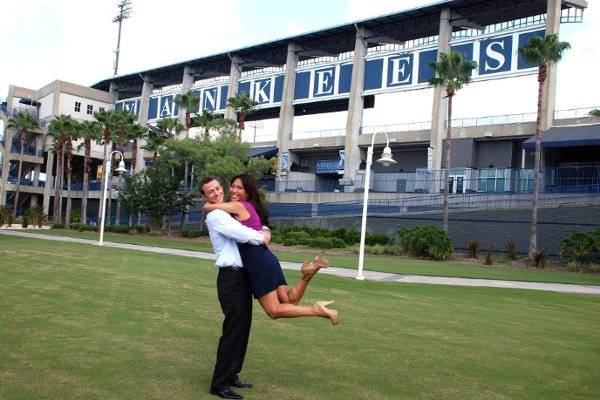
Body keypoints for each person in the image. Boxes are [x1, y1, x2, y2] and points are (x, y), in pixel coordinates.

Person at [202, 174, 340, 326]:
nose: (234, 190)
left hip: (257, 261)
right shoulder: (247, 206)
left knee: (273, 310)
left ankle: (317, 310)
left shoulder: (238, 206)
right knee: (288, 300)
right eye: (233, 186)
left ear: (247, 192)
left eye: (239, 188)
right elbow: (260, 227)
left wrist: (207, 205)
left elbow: (212, 207)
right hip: (267, 258)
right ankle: (307, 275)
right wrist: (266, 232)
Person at [200, 176, 270, 400]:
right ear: (205, 197)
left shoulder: (225, 211)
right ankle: (219, 383)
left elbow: (250, 222)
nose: (217, 193)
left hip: (240, 278)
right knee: (232, 332)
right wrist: (262, 236)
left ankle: (231, 375)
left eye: (218, 188)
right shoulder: (217, 215)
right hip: (230, 278)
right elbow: (243, 234)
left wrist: (264, 228)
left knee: (242, 329)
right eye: (210, 192)